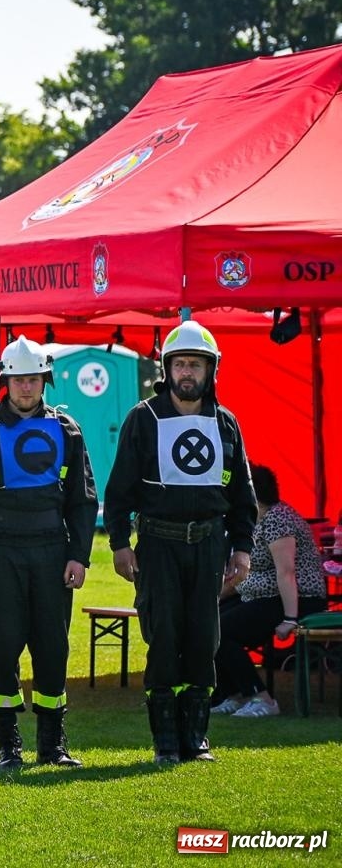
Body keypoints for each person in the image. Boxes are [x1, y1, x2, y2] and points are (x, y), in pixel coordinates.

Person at [0, 336, 98, 769]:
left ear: (44, 380)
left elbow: (83, 499)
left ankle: (53, 745)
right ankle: (8, 746)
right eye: (18, 379)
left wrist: (79, 555)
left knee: (52, 647)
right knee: (4, 644)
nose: (26, 387)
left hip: (51, 550)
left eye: (33, 379)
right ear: (4, 380)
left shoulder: (67, 430)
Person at [106, 320, 255, 764]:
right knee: (164, 634)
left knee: (203, 638)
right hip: (158, 544)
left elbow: (242, 497)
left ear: (211, 371)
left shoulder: (225, 423)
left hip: (209, 545)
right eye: (180, 364)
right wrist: (118, 543)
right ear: (167, 369)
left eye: (196, 364)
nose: (187, 372)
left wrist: (242, 548)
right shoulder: (143, 418)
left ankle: (196, 739)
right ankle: (166, 742)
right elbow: (119, 491)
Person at [212, 463, 327, 718]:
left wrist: (290, 619)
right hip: (260, 597)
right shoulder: (253, 520)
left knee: (221, 631)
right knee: (207, 623)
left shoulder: (278, 518)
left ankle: (262, 698)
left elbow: (285, 573)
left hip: (297, 599)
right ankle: (234, 695)